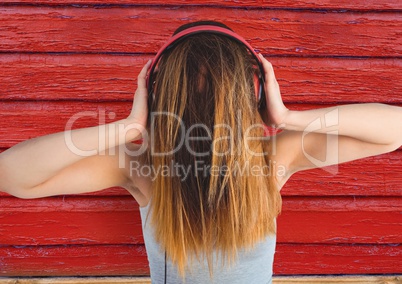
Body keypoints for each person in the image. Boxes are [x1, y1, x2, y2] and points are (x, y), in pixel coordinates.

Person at [0, 21, 401, 284]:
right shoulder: (143, 167)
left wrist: (288, 116)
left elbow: (394, 130)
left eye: (213, 88)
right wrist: (128, 128)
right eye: (192, 88)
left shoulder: (272, 158)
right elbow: (12, 175)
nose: (204, 103)